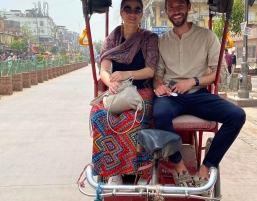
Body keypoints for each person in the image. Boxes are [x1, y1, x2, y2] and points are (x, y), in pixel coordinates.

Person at [153, 0, 246, 188]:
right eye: (171, 7)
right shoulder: (162, 41)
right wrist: (158, 86)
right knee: (159, 114)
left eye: (180, 5)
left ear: (189, 7)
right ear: (166, 11)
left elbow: (219, 74)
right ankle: (178, 165)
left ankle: (206, 166)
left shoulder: (207, 37)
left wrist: (193, 81)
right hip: (172, 96)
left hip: (199, 94)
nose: (176, 11)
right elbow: (158, 74)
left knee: (237, 115)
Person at [90, 0, 159, 185]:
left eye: (137, 10)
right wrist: (110, 84)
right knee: (98, 115)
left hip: (142, 91)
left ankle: (142, 171)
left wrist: (126, 74)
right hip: (118, 90)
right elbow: (104, 70)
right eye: (127, 8)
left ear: (141, 15)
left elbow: (150, 70)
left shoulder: (148, 38)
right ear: (121, 12)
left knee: (134, 117)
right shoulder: (112, 39)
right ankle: (113, 170)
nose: (132, 13)